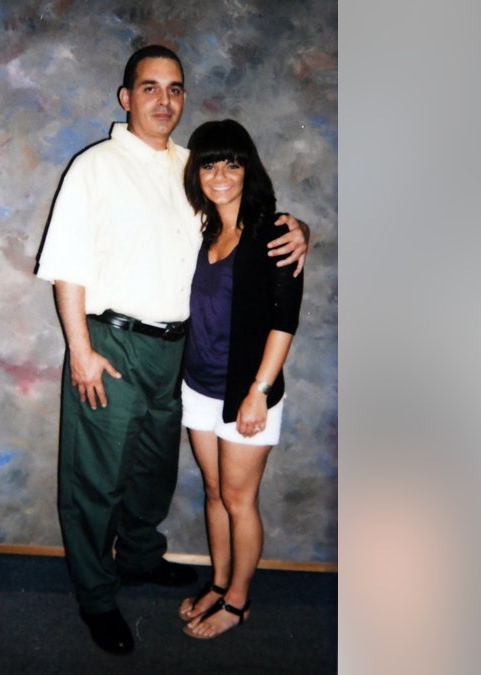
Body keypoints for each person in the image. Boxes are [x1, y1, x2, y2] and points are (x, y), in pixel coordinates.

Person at [35, 46, 310, 655]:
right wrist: (80, 350)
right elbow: (68, 269)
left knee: (153, 472)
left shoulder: (194, 169)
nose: (164, 100)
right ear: (126, 97)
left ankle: (138, 556)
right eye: (150, 87)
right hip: (111, 342)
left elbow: (251, 219)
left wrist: (299, 230)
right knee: (96, 480)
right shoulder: (95, 167)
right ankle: (97, 596)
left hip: (178, 352)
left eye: (175, 88)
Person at [175, 119, 304, 639]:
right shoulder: (204, 230)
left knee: (238, 499)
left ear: (248, 168)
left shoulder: (273, 232)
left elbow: (284, 319)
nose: (221, 174)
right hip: (199, 385)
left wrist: (258, 392)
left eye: (232, 162)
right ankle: (220, 581)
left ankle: (238, 602)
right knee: (213, 491)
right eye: (210, 164)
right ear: (197, 173)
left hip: (247, 394)